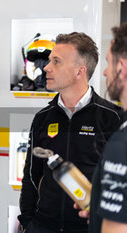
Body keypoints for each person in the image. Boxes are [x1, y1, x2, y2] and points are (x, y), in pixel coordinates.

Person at [17, 32, 122, 233]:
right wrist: (28, 222)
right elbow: (31, 175)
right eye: (49, 61)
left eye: (56, 61)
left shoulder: (113, 118)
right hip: (43, 226)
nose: (46, 67)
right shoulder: (42, 118)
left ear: (79, 71)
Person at [76, 23, 127, 233]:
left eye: (108, 63)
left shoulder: (121, 145)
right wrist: (101, 209)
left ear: (121, 68)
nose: (105, 72)